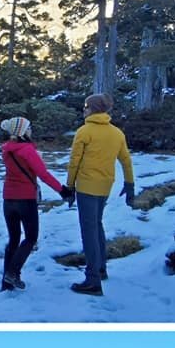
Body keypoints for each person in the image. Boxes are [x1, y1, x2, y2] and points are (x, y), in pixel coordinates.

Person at [65, 93, 135, 296]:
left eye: (86, 106)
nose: (83, 110)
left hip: (87, 186)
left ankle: (92, 280)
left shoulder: (84, 131)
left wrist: (70, 186)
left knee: (88, 231)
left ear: (93, 109)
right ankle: (101, 268)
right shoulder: (117, 133)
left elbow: (74, 162)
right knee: (97, 224)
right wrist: (130, 184)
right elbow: (126, 161)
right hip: (106, 185)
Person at [0, 116, 74, 291]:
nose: (31, 130)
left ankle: (6, 283)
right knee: (31, 238)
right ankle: (12, 272)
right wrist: (63, 191)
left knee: (13, 240)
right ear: (22, 131)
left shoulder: (6, 149)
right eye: (28, 127)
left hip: (8, 199)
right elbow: (43, 175)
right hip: (25, 199)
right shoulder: (27, 150)